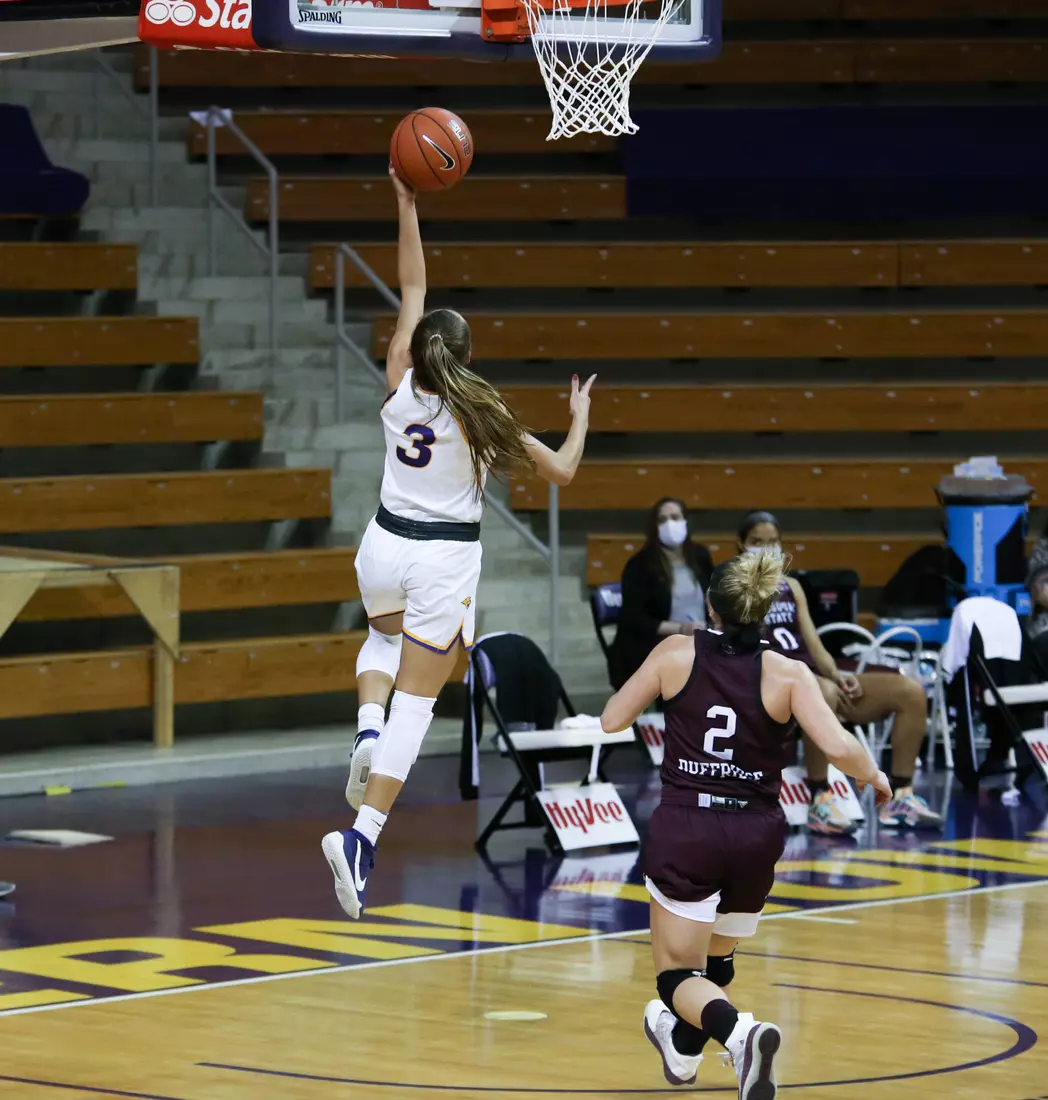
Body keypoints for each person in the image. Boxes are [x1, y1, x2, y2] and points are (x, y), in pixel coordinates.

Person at [321, 167, 596, 920]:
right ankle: (362, 836)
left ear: (419, 348)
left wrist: (405, 203)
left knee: (381, 641)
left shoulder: (398, 383)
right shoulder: (487, 412)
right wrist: (578, 415)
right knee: (423, 700)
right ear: (467, 356)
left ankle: (364, 731)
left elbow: (412, 287)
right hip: (442, 558)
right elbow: (565, 474)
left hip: (381, 544)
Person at [601, 552, 891, 1097]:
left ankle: (740, 1034)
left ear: (709, 604)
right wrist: (875, 774)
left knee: (675, 978)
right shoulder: (788, 671)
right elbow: (836, 746)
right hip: (758, 829)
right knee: (716, 962)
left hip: (691, 824)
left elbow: (614, 718)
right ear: (763, 611)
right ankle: (685, 1053)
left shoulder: (677, 652)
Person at [737, 510, 940, 835]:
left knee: (910, 692)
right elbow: (740, 649)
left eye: (772, 542)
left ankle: (900, 796)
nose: (765, 548)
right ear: (741, 545)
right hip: (769, 683)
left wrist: (835, 673)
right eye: (756, 542)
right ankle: (820, 798)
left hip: (813, 680)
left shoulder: (792, 586)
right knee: (821, 692)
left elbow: (814, 645)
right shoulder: (735, 586)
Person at [608, 497, 713, 689]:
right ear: (654, 527)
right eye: (662, 520)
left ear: (686, 521)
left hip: (700, 642)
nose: (669, 524)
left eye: (675, 517)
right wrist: (682, 629)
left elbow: (715, 597)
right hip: (660, 646)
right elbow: (634, 619)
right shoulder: (639, 565)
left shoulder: (700, 556)